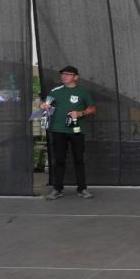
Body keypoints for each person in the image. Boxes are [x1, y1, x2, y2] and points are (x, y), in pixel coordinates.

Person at [41, 66, 96, 200]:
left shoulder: (83, 91)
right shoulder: (55, 91)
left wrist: (80, 113)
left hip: (76, 131)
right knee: (59, 160)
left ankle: (82, 189)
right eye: (62, 74)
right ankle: (57, 189)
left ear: (76, 77)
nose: (64, 76)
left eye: (68, 74)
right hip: (58, 130)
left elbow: (92, 108)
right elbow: (45, 105)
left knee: (79, 160)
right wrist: (43, 105)